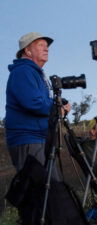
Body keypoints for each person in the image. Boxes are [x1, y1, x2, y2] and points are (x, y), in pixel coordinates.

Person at [5, 32, 70, 174]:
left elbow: (40, 101)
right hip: (28, 139)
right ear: (27, 51)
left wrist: (57, 104)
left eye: (47, 46)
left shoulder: (34, 72)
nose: (46, 49)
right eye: (41, 45)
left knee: (47, 190)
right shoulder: (23, 71)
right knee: (38, 190)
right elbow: (33, 103)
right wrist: (57, 109)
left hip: (37, 139)